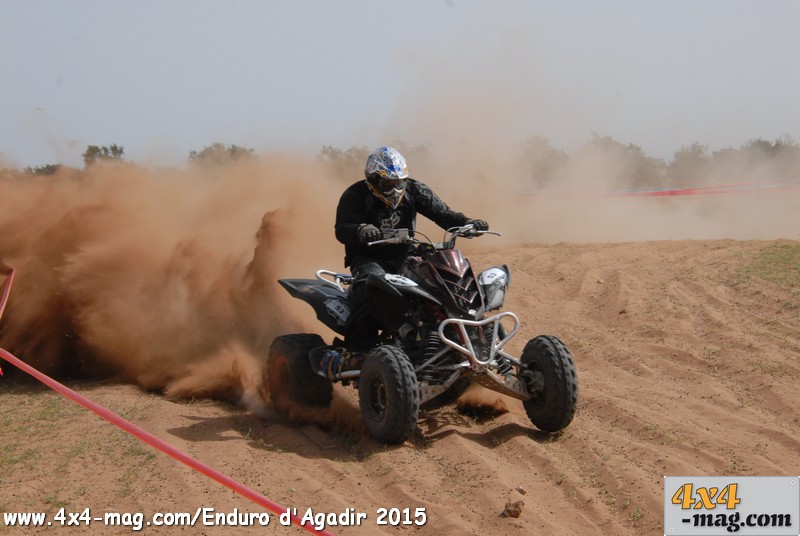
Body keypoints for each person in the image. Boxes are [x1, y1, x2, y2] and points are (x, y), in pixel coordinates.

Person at [318, 145, 488, 379]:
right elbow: (341, 229)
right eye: (389, 183)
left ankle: (462, 338)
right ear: (373, 179)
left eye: (400, 182)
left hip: (406, 255)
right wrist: (360, 230)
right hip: (369, 258)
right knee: (369, 286)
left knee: (443, 277)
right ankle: (357, 351)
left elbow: (444, 214)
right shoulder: (355, 195)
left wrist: (467, 222)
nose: (396, 188)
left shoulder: (415, 189)